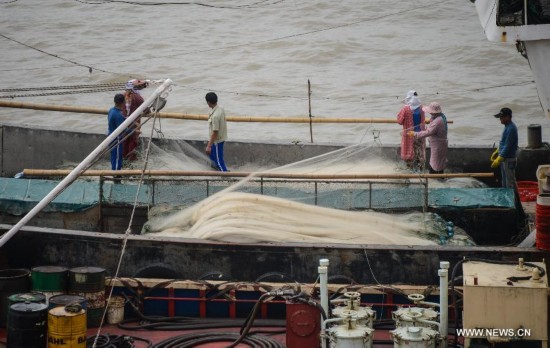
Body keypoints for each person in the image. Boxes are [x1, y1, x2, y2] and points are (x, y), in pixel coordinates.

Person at [408, 101, 448, 174]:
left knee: (435, 164)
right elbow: (434, 129)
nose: (430, 113)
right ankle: (439, 178)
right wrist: (429, 122)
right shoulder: (441, 116)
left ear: (434, 112)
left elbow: (428, 132)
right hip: (440, 144)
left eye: (431, 112)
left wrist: (415, 134)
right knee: (438, 163)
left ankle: (435, 178)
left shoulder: (437, 122)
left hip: (438, 145)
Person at [397, 90, 426, 170]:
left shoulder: (405, 109)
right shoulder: (421, 108)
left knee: (409, 153)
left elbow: (399, 121)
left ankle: (409, 170)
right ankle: (420, 170)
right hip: (419, 134)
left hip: (409, 134)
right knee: (419, 152)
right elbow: (423, 120)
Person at [491, 107, 518, 188]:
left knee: (510, 183)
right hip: (504, 159)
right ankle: (506, 199)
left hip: (509, 159)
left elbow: (508, 145)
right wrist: (497, 151)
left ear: (507, 117)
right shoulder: (507, 127)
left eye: (501, 117)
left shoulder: (511, 128)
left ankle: (513, 200)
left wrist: (500, 158)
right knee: (504, 181)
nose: (500, 119)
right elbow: (504, 142)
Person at [122, 79, 148, 161]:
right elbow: (146, 111)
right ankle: (131, 158)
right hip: (134, 123)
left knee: (125, 139)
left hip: (123, 122)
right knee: (133, 140)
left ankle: (124, 156)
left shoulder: (123, 96)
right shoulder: (138, 98)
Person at [205, 92, 228, 172]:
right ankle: (218, 171)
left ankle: (225, 175)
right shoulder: (221, 109)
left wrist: (208, 145)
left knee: (219, 160)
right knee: (213, 155)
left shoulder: (215, 116)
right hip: (220, 138)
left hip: (217, 141)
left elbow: (215, 132)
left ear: (208, 102)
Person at [108, 94, 127, 171]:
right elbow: (122, 129)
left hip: (111, 135)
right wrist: (135, 130)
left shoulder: (111, 110)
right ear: (123, 102)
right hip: (117, 138)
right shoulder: (118, 115)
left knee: (113, 156)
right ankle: (116, 173)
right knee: (117, 157)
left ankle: (114, 171)